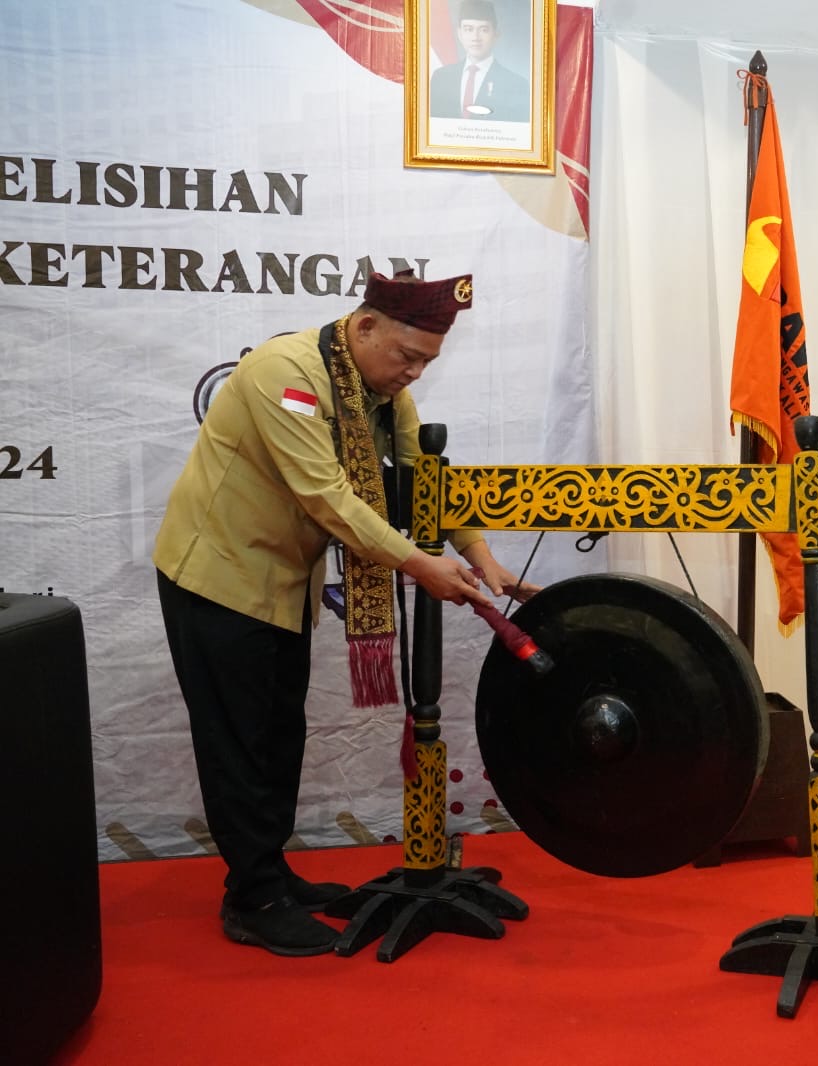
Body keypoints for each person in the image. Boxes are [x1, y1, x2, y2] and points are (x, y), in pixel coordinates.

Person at [154, 270, 535, 957]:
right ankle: (253, 899)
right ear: (363, 327)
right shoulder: (286, 373)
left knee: (279, 734)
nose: (414, 373)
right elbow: (326, 496)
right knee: (238, 742)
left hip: (281, 582)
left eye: (426, 362)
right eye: (407, 356)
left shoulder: (383, 390)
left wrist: (480, 555)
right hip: (218, 577)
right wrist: (420, 565)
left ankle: (267, 873)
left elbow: (424, 476)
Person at [428, 0, 531, 123]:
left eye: (483, 30)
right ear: (459, 33)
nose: (475, 38)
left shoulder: (516, 85)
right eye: (468, 29)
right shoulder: (441, 77)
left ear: (496, 34)